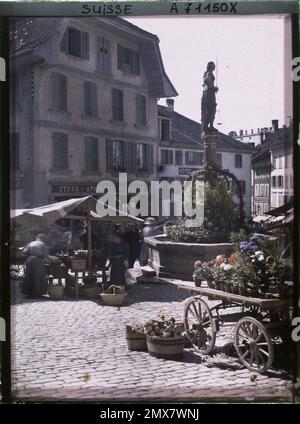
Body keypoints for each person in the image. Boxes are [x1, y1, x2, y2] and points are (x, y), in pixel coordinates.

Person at [22, 233, 49, 298]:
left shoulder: (30, 243)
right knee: (38, 277)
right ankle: (38, 293)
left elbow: (24, 251)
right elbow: (45, 255)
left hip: (30, 259)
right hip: (38, 260)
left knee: (29, 276)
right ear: (43, 238)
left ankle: (28, 292)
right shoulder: (42, 244)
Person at [201, 61, 219, 131]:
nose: (214, 67)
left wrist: (214, 88)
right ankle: (206, 125)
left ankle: (211, 125)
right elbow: (206, 81)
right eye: (213, 66)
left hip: (210, 93)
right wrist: (213, 87)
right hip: (208, 94)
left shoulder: (209, 73)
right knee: (209, 109)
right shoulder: (208, 73)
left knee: (213, 109)